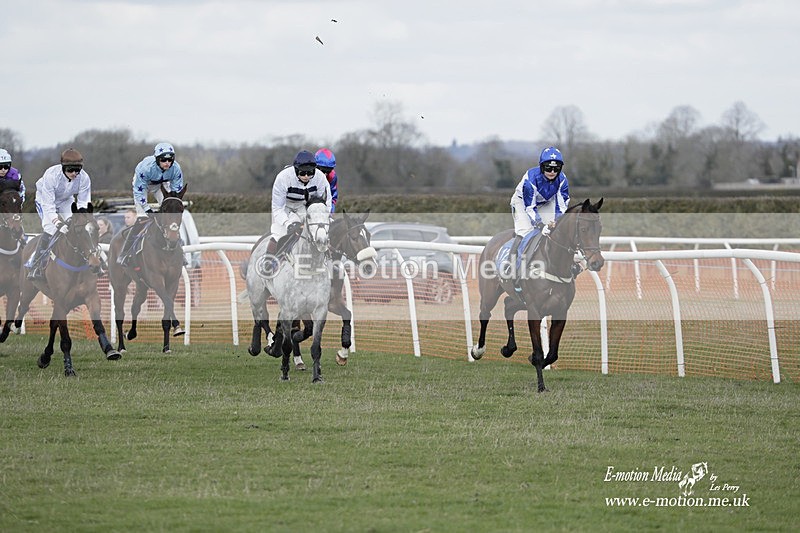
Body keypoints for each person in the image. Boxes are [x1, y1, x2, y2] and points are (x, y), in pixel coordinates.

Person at [26, 148, 92, 280]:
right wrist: (57, 222)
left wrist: (81, 217)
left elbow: (83, 202)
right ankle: (35, 264)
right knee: (50, 229)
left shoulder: (84, 178)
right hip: (45, 200)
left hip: (66, 200)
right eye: (70, 170)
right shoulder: (51, 176)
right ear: (63, 168)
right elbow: (49, 205)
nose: (74, 173)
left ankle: (88, 259)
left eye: (77, 170)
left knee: (78, 227)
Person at [265, 150, 332, 273]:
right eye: (302, 173)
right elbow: (277, 208)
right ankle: (268, 263)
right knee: (279, 233)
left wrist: (325, 219)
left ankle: (327, 262)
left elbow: (326, 202)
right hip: (284, 206)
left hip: (303, 206)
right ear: (296, 170)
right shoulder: (283, 178)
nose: (306, 176)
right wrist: (287, 223)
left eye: (310, 172)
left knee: (316, 232)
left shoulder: (320, 178)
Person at [118, 142, 185, 265]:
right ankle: (125, 253)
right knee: (142, 218)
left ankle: (180, 250)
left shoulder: (176, 169)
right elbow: (139, 192)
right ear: (157, 159)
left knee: (172, 214)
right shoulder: (145, 168)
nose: (167, 163)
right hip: (142, 186)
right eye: (164, 160)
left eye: (170, 160)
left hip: (161, 185)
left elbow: (176, 192)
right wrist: (147, 210)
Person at [507, 146, 570, 277]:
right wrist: (540, 225)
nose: (552, 171)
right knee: (526, 233)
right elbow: (530, 207)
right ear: (541, 166)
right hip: (523, 203)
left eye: (556, 168)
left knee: (556, 232)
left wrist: (557, 223)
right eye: (548, 168)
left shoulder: (562, 180)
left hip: (546, 202)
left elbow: (561, 206)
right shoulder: (530, 180)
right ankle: (513, 268)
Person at [315, 148, 338, 213]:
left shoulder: (332, 176)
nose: (325, 174)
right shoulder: (307, 174)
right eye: (323, 170)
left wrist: (330, 214)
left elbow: (333, 198)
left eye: (328, 171)